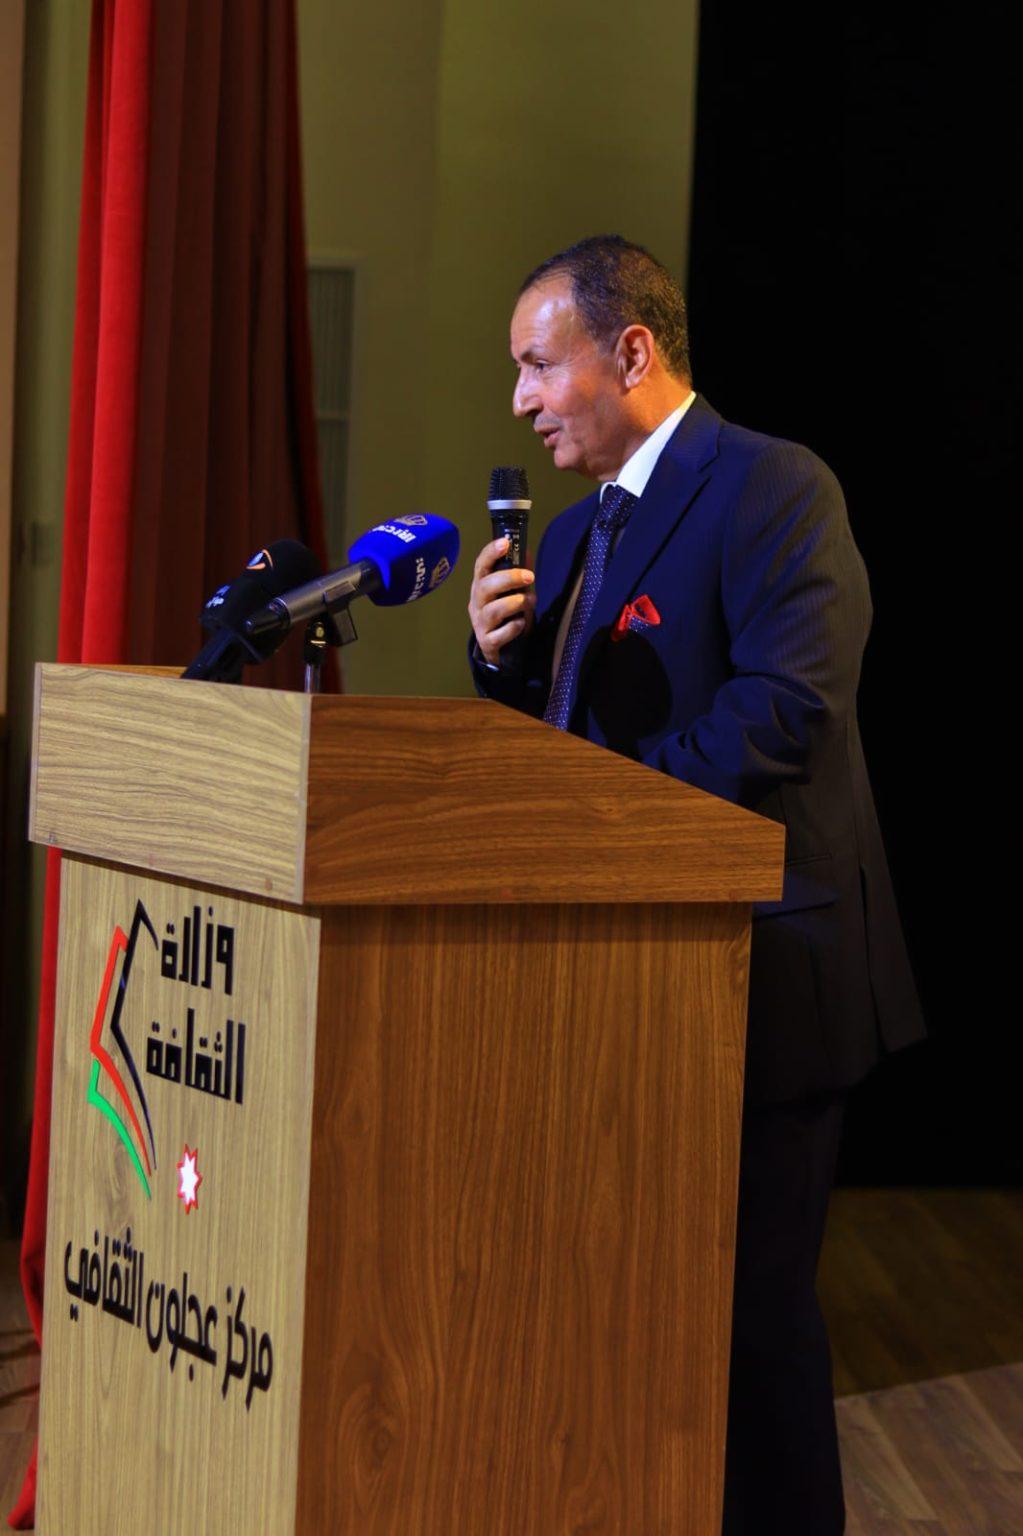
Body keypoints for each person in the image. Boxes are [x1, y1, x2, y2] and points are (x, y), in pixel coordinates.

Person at [468, 235, 923, 1535]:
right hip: (616, 983)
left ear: (630, 351)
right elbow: (560, 742)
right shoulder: (571, 538)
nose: (521, 400)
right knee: (628, 1319)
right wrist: (499, 665)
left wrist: (607, 814)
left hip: (765, 977)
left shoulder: (774, 485)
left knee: (752, 1325)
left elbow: (787, 708)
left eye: (537, 365)